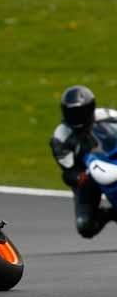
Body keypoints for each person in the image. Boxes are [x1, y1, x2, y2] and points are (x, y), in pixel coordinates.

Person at [50, 85, 117, 238]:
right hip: (88, 178)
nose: (77, 117)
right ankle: (111, 213)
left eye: (81, 112)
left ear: (90, 108)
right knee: (86, 226)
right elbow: (68, 172)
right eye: (72, 113)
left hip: (113, 160)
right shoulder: (60, 137)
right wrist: (80, 177)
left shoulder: (108, 115)